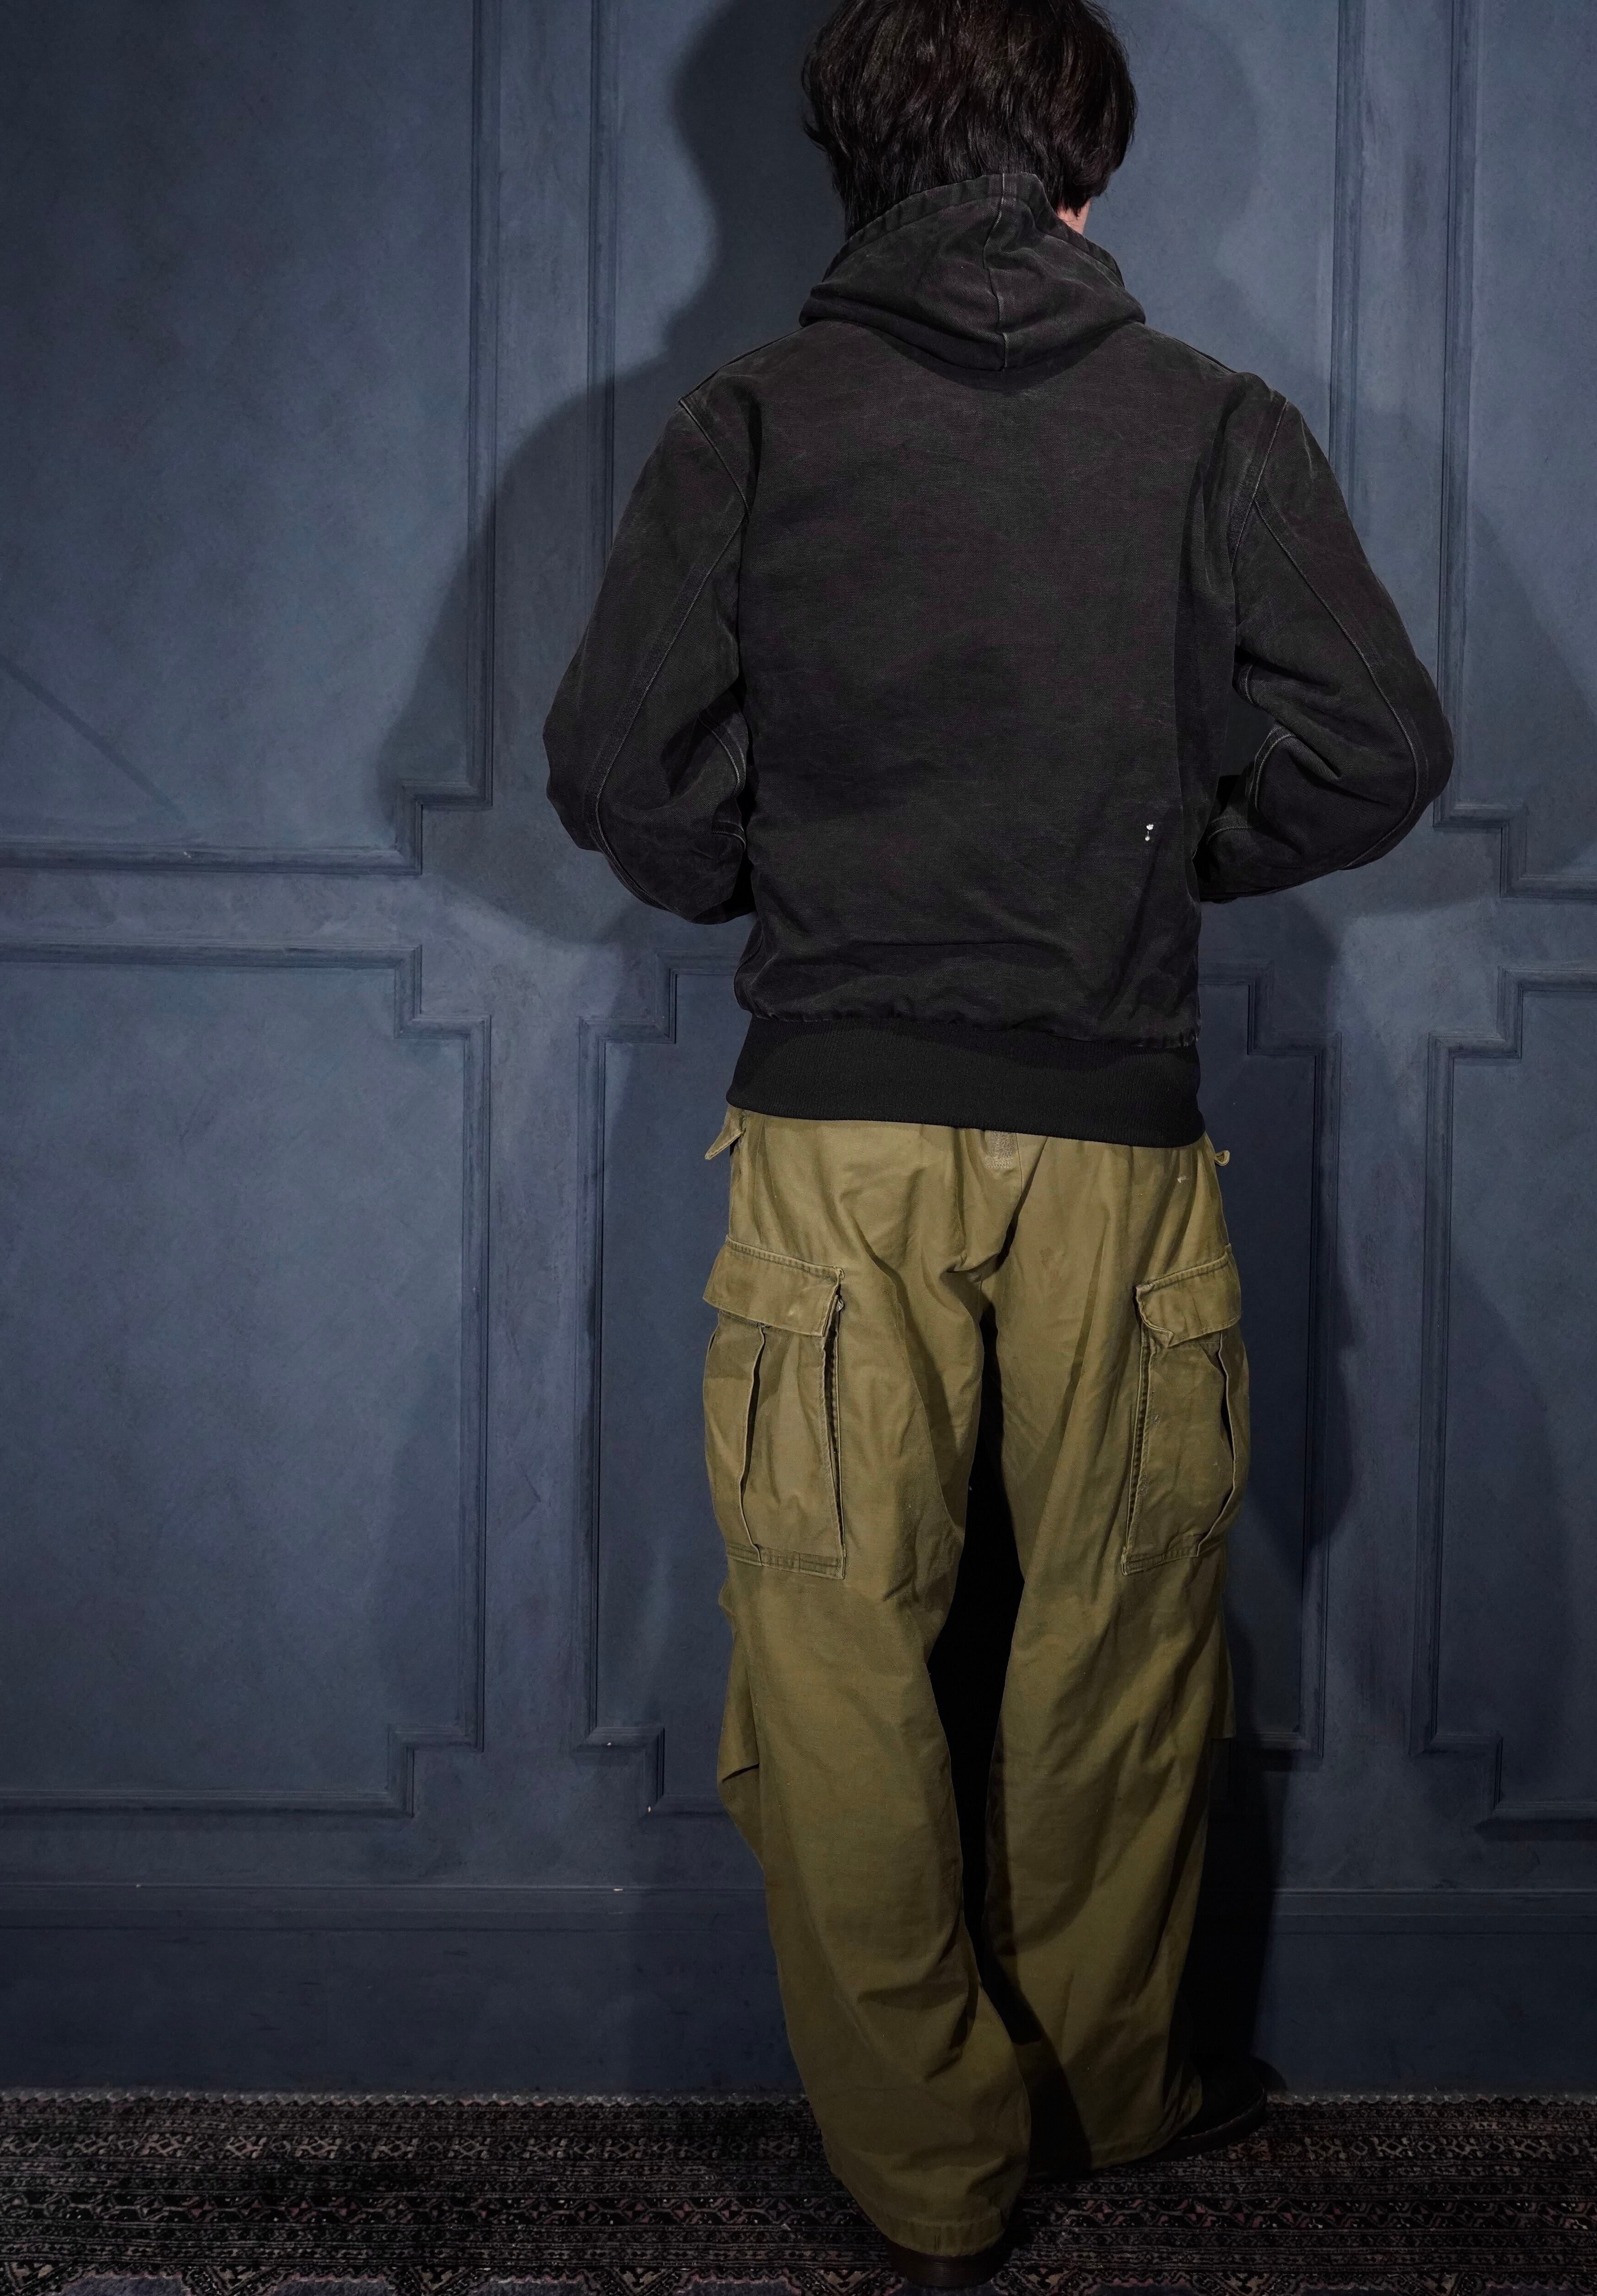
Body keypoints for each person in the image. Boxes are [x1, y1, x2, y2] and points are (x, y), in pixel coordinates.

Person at [544, 0, 1452, 2280]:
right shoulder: (1211, 426)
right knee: (1120, 1635)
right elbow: (1377, 749)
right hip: (1114, 1139)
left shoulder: (753, 419)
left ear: (850, 158)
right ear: (1084, 163)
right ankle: (1111, 2092)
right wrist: (1165, 865)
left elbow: (620, 772)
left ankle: (928, 2169)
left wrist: (800, 876)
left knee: (834, 1650)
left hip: (832, 1136)